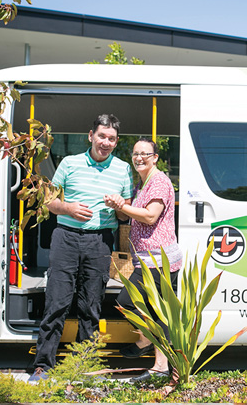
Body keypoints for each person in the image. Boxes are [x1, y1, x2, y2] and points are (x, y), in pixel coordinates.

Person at [29, 114, 133, 382]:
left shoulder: (122, 169)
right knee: (57, 302)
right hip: (65, 237)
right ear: (91, 136)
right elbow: (48, 200)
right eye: (101, 136)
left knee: (91, 306)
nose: (106, 142)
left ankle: (85, 367)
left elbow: (126, 216)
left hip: (100, 241)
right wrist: (68, 208)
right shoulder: (69, 163)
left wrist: (120, 206)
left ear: (116, 142)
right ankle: (43, 366)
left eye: (111, 139)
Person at [104, 138, 182, 383]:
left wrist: (122, 207)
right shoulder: (142, 182)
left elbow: (150, 216)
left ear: (155, 157)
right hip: (146, 260)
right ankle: (153, 354)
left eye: (145, 154)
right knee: (144, 308)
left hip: (159, 261)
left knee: (137, 305)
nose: (139, 158)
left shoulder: (159, 181)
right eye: (135, 153)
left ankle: (151, 352)